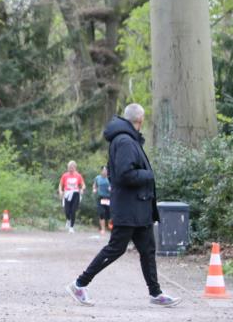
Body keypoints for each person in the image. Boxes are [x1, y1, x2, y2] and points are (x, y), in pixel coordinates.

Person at [66, 103, 181, 307]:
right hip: (129, 209)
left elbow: (115, 173)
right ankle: (79, 283)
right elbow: (124, 174)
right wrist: (149, 175)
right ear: (140, 120)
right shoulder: (125, 141)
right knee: (116, 248)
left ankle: (156, 293)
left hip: (138, 208)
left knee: (147, 249)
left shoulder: (126, 140)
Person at [58, 161, 85, 233]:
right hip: (67, 193)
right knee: (67, 210)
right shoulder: (65, 175)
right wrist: (60, 191)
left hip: (76, 193)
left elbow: (83, 185)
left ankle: (71, 227)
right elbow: (60, 185)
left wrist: (82, 189)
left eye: (72, 168)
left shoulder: (78, 176)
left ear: (75, 168)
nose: (70, 169)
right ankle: (68, 219)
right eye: (69, 168)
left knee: (73, 211)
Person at [94, 165, 111, 236]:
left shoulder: (110, 178)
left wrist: (111, 189)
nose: (104, 172)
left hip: (108, 198)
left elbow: (113, 186)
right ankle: (103, 229)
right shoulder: (97, 178)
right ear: (101, 171)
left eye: (106, 170)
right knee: (101, 213)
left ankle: (110, 228)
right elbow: (95, 185)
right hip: (100, 197)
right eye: (103, 170)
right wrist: (94, 189)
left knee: (109, 214)